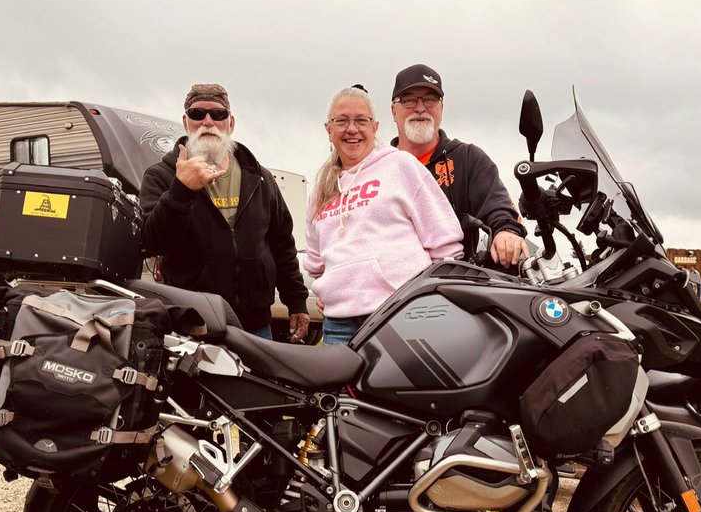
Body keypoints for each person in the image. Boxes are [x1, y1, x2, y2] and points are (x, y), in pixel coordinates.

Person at [139, 83, 310, 342]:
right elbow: (152, 242)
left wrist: (296, 301)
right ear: (186, 122)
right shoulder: (161, 176)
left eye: (217, 114)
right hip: (192, 325)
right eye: (197, 114)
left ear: (230, 123)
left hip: (256, 325)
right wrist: (181, 190)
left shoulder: (260, 177)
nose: (208, 121)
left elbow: (281, 244)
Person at [304, 85, 463, 347]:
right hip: (339, 325)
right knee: (340, 390)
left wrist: (432, 302)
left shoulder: (401, 166)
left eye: (361, 121)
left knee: (398, 389)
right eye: (341, 121)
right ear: (328, 129)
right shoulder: (320, 190)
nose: (352, 129)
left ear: (375, 128)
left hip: (400, 314)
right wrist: (329, 289)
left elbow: (445, 244)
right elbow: (315, 263)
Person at [390, 64, 529, 269]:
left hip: (453, 287)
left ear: (441, 108)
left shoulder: (468, 158)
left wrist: (506, 232)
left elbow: (497, 205)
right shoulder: (378, 168)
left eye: (430, 99)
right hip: (390, 291)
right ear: (394, 111)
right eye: (409, 100)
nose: (420, 108)